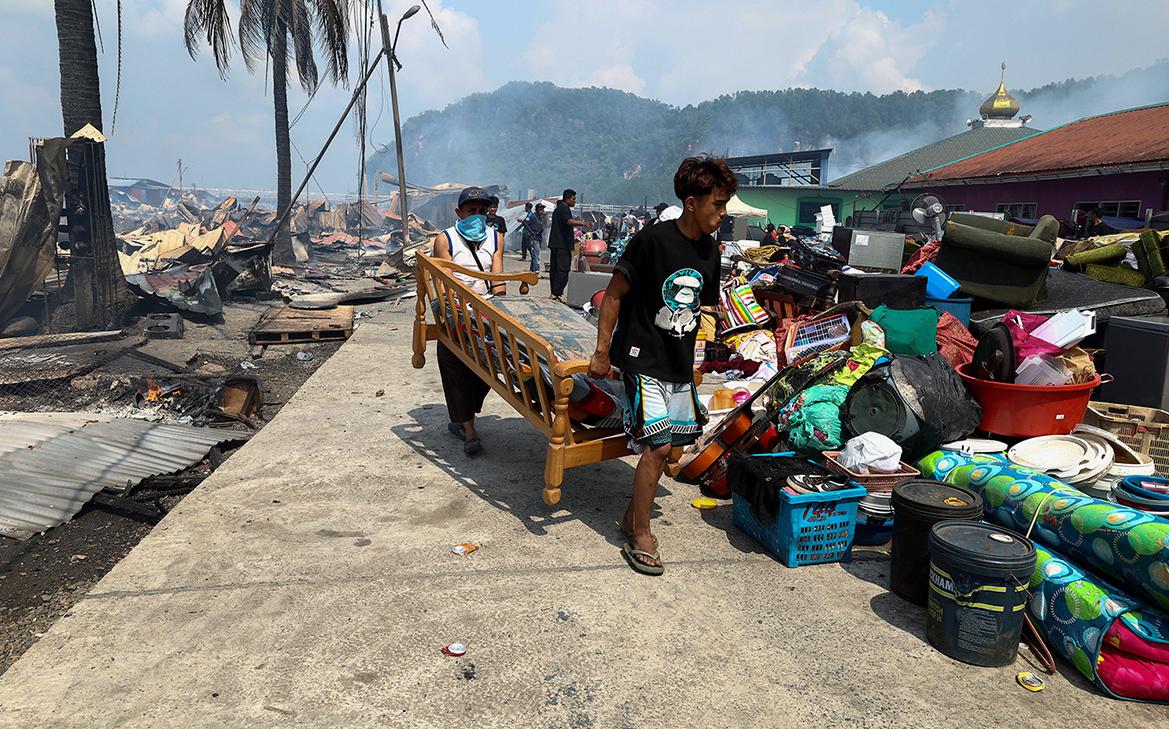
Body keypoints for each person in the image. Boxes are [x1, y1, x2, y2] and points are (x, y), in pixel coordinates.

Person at [589, 155, 736, 575]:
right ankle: (642, 536)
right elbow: (614, 294)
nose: (723, 214)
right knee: (655, 448)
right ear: (692, 202)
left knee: (674, 448)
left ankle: (631, 516)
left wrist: (702, 359)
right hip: (641, 357)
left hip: (677, 364)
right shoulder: (652, 241)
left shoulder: (710, 249)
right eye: (718, 204)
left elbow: (704, 308)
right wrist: (602, 352)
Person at [432, 186, 506, 457]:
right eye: (471, 211)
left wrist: (502, 308)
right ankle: (468, 429)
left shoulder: (496, 238)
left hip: (486, 309)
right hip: (458, 309)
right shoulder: (445, 239)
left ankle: (464, 417)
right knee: (454, 363)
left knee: (492, 365)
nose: (477, 216)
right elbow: (446, 283)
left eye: (482, 211)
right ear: (459, 212)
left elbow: (497, 281)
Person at [547, 188, 591, 302]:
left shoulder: (559, 208)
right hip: (562, 244)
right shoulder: (564, 209)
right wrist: (583, 223)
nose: (575, 201)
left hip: (556, 243)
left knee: (556, 268)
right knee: (563, 269)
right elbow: (569, 221)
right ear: (567, 199)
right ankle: (555, 293)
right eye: (573, 199)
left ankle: (555, 293)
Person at [522, 203, 547, 274]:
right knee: (537, 255)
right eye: (540, 209)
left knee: (535, 255)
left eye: (542, 209)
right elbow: (524, 222)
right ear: (537, 210)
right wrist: (531, 231)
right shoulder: (533, 216)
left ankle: (532, 269)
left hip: (539, 238)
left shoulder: (541, 218)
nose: (542, 211)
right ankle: (536, 269)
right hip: (534, 238)